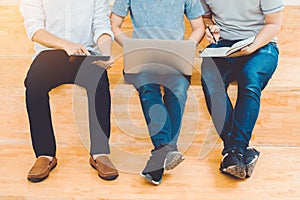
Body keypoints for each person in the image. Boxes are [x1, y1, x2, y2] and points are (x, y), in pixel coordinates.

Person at [20, 0, 118, 182]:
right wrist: (65, 45)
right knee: (34, 83)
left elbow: (101, 25)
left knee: (99, 80)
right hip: (49, 53)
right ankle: (45, 154)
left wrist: (106, 53)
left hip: (86, 53)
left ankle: (99, 152)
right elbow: (35, 30)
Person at [111, 0, 205, 185]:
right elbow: (114, 24)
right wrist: (131, 46)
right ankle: (166, 149)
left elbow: (199, 27)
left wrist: (185, 48)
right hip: (142, 60)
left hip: (175, 60)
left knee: (178, 91)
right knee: (148, 88)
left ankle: (160, 155)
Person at [200, 0, 284, 178]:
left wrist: (251, 47)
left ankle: (232, 152)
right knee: (209, 79)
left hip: (261, 45)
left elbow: (273, 24)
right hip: (224, 46)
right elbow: (206, 18)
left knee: (250, 78)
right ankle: (238, 152)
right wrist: (211, 30)